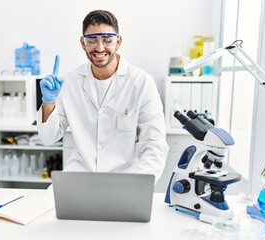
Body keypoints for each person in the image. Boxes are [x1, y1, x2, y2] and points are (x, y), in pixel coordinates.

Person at [37, 9, 169, 181]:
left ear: (118, 41)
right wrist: (49, 102)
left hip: (125, 181)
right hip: (79, 178)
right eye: (92, 40)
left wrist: (139, 186)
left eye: (107, 40)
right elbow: (48, 137)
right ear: (83, 43)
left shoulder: (141, 82)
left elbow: (154, 144)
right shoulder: (71, 81)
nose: (100, 48)